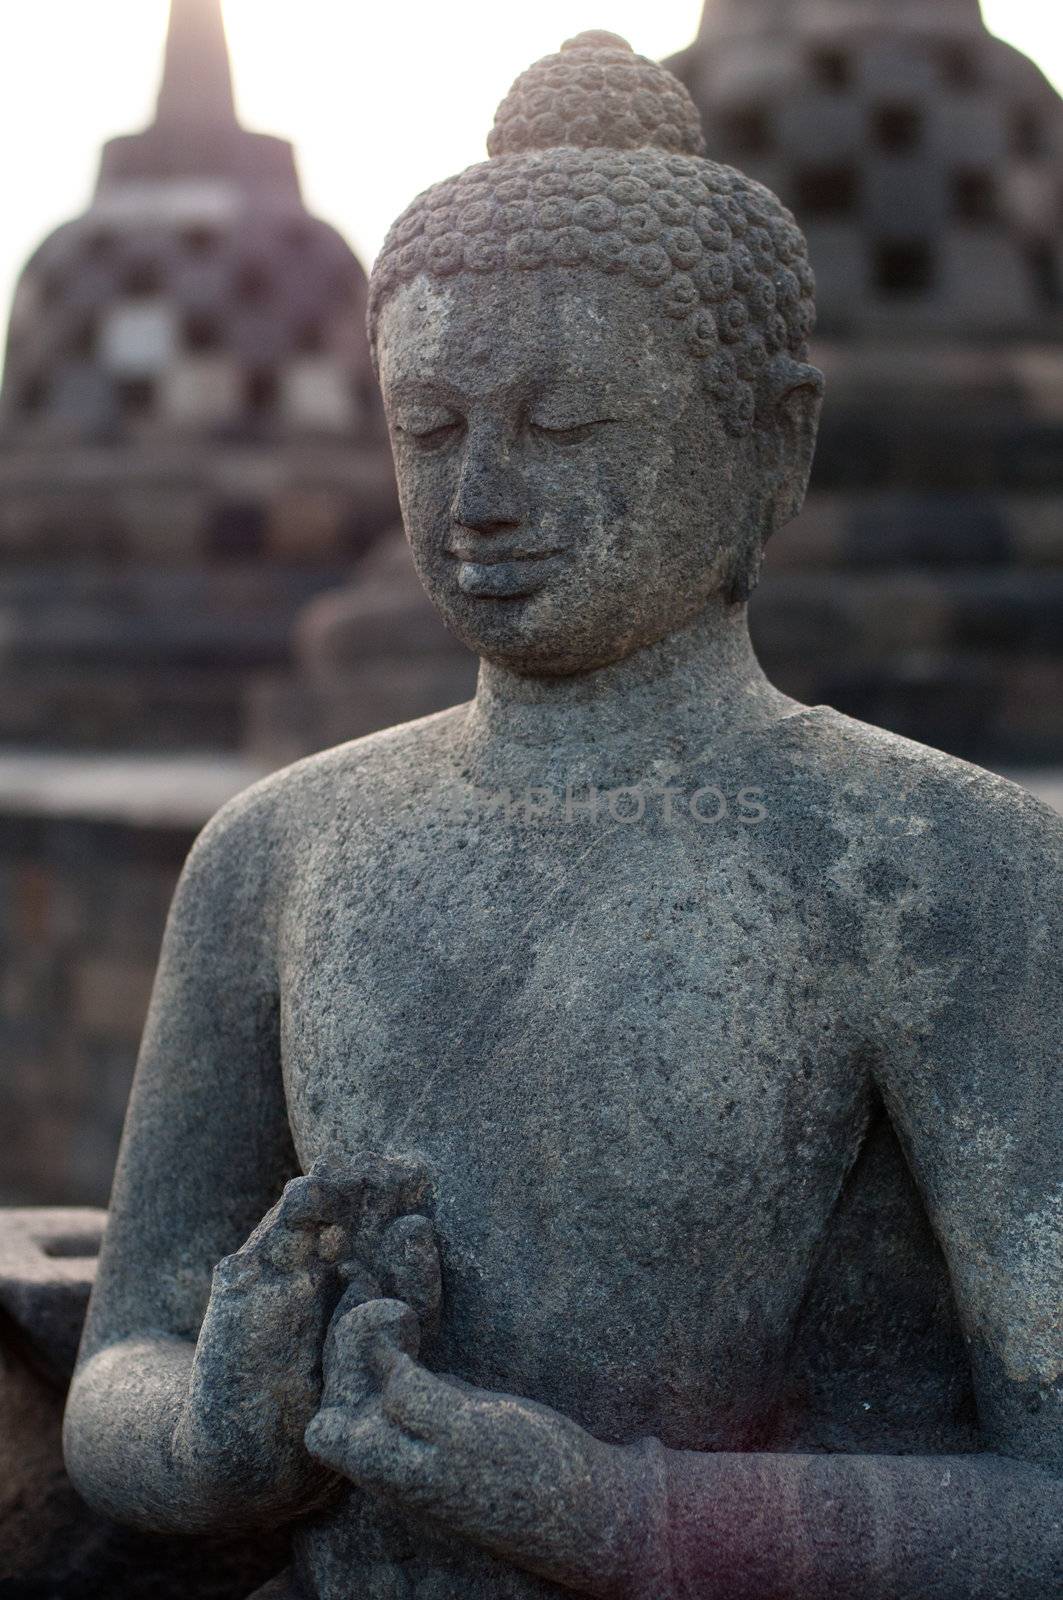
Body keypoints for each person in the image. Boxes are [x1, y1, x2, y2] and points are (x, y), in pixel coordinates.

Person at [65, 33, 1062, 1598]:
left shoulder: (935, 873)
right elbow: (121, 1350)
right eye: (431, 428)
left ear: (770, 446)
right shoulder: (275, 855)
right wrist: (206, 1438)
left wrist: (626, 1519)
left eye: (568, 423)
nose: (482, 502)